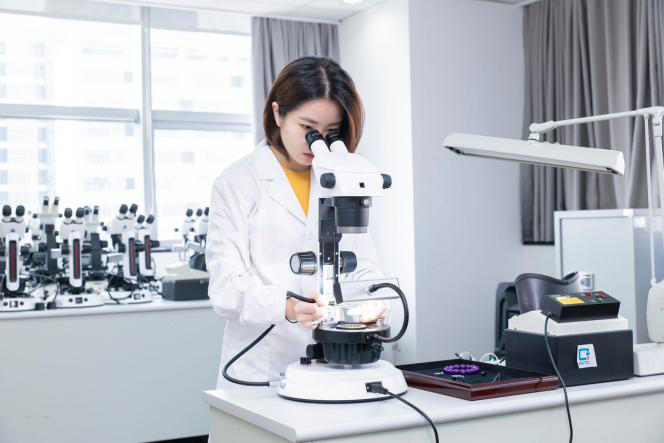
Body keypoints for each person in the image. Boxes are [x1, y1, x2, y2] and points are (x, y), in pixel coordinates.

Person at [207, 56, 387, 388]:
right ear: (278, 113)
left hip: (334, 365)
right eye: (308, 128)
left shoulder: (341, 178)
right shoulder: (237, 182)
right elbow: (226, 288)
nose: (316, 142)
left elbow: (363, 264)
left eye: (330, 132)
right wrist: (286, 306)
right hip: (259, 370)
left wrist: (373, 300)